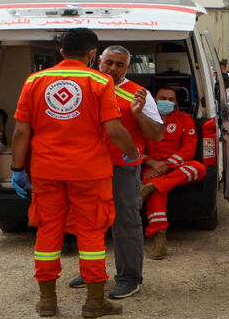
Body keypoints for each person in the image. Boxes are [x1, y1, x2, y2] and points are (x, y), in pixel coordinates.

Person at [11, 28, 139, 318]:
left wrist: (17, 169)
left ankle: (47, 301)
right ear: (93, 54)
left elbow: (20, 130)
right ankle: (94, 301)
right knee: (91, 232)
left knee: (47, 231)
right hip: (89, 172)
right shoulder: (99, 81)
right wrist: (132, 152)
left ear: (61, 52)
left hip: (46, 171)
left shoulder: (34, 81)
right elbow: (114, 129)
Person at [64, 46, 162, 299]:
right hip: (88, 166)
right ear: (98, 61)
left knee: (126, 222)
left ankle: (129, 278)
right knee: (88, 221)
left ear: (127, 68)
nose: (113, 69)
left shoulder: (138, 94)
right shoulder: (85, 86)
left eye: (120, 65)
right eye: (109, 62)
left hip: (122, 167)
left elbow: (157, 135)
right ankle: (92, 273)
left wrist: (137, 115)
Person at [140, 86, 205, 259]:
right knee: (157, 193)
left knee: (199, 168)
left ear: (176, 103)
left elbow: (188, 149)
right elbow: (134, 148)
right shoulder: (144, 120)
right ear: (154, 99)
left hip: (176, 167)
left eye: (171, 99)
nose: (166, 102)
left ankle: (153, 186)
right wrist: (152, 162)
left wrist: (167, 165)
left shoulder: (184, 119)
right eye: (163, 98)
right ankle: (159, 238)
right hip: (151, 168)